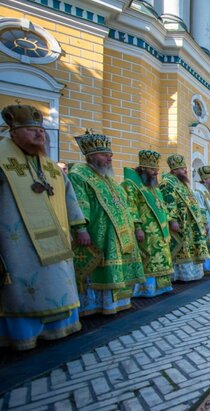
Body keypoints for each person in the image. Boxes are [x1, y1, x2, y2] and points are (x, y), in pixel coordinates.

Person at [0, 104, 85, 350]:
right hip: (17, 242)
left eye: (41, 129)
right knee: (23, 287)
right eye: (31, 129)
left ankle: (58, 328)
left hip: (57, 238)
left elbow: (70, 197)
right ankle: (23, 335)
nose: (40, 134)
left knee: (57, 281)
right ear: (13, 132)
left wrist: (79, 226)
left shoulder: (49, 166)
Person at [69, 131, 145, 315]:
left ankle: (118, 302)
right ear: (91, 156)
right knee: (99, 267)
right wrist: (80, 228)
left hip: (119, 235)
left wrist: (135, 227)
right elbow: (78, 203)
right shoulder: (79, 175)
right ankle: (96, 306)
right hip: (98, 233)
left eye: (110, 155)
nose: (109, 159)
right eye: (105, 155)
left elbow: (125, 206)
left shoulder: (108, 179)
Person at [122, 150, 174, 298]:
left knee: (161, 257)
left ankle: (162, 286)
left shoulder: (153, 187)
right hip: (145, 230)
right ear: (143, 168)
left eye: (157, 170)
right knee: (149, 257)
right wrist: (137, 227)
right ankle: (146, 289)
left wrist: (168, 220)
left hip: (160, 230)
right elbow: (130, 206)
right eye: (152, 170)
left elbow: (161, 206)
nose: (156, 173)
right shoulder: (130, 184)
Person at [159, 154, 208, 281]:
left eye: (185, 167)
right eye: (182, 168)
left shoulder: (183, 185)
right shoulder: (167, 183)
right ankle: (180, 275)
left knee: (189, 248)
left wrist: (201, 222)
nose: (186, 170)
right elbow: (168, 202)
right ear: (174, 170)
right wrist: (173, 220)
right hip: (181, 224)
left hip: (190, 224)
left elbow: (194, 204)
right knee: (181, 248)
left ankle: (191, 274)